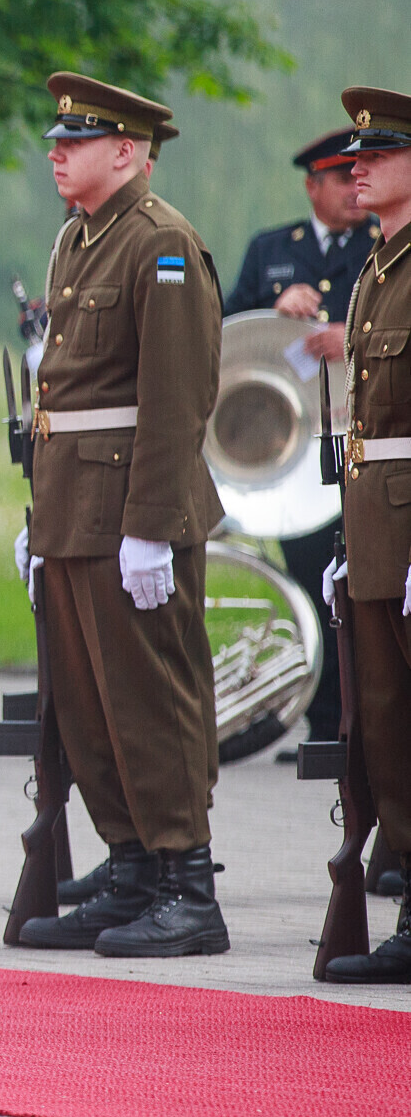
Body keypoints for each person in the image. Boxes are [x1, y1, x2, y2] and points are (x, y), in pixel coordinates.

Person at [12, 72, 228, 957]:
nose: (57, 153)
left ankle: (187, 883)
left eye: (78, 141)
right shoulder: (77, 240)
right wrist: (41, 513)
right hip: (74, 505)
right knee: (89, 707)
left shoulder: (160, 242)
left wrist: (151, 524)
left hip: (131, 508)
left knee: (149, 698)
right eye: (57, 140)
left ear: (128, 151)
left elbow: (177, 398)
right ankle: (133, 867)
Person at [224, 128, 377, 754]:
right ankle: (324, 721)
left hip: (363, 437)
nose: (353, 188)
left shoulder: (383, 245)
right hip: (295, 454)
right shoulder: (272, 250)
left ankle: (371, 727)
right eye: (340, 178)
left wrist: (351, 336)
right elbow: (226, 328)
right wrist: (274, 303)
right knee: (313, 583)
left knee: (368, 591)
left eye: (358, 175)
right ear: (312, 186)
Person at [323, 84, 411, 981]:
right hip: (377, 521)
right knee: (385, 721)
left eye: (378, 155)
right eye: (357, 157)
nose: (358, 168)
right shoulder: (378, 268)